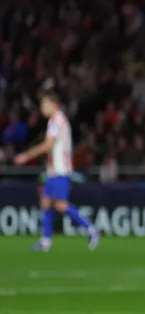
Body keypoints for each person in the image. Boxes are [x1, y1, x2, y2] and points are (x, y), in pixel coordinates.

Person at [14, 92, 99, 252]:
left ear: (54, 105)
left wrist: (26, 156)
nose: (42, 108)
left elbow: (48, 145)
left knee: (60, 205)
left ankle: (91, 229)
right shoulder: (56, 121)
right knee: (45, 201)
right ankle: (46, 241)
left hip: (60, 170)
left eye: (45, 104)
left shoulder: (57, 121)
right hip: (53, 171)